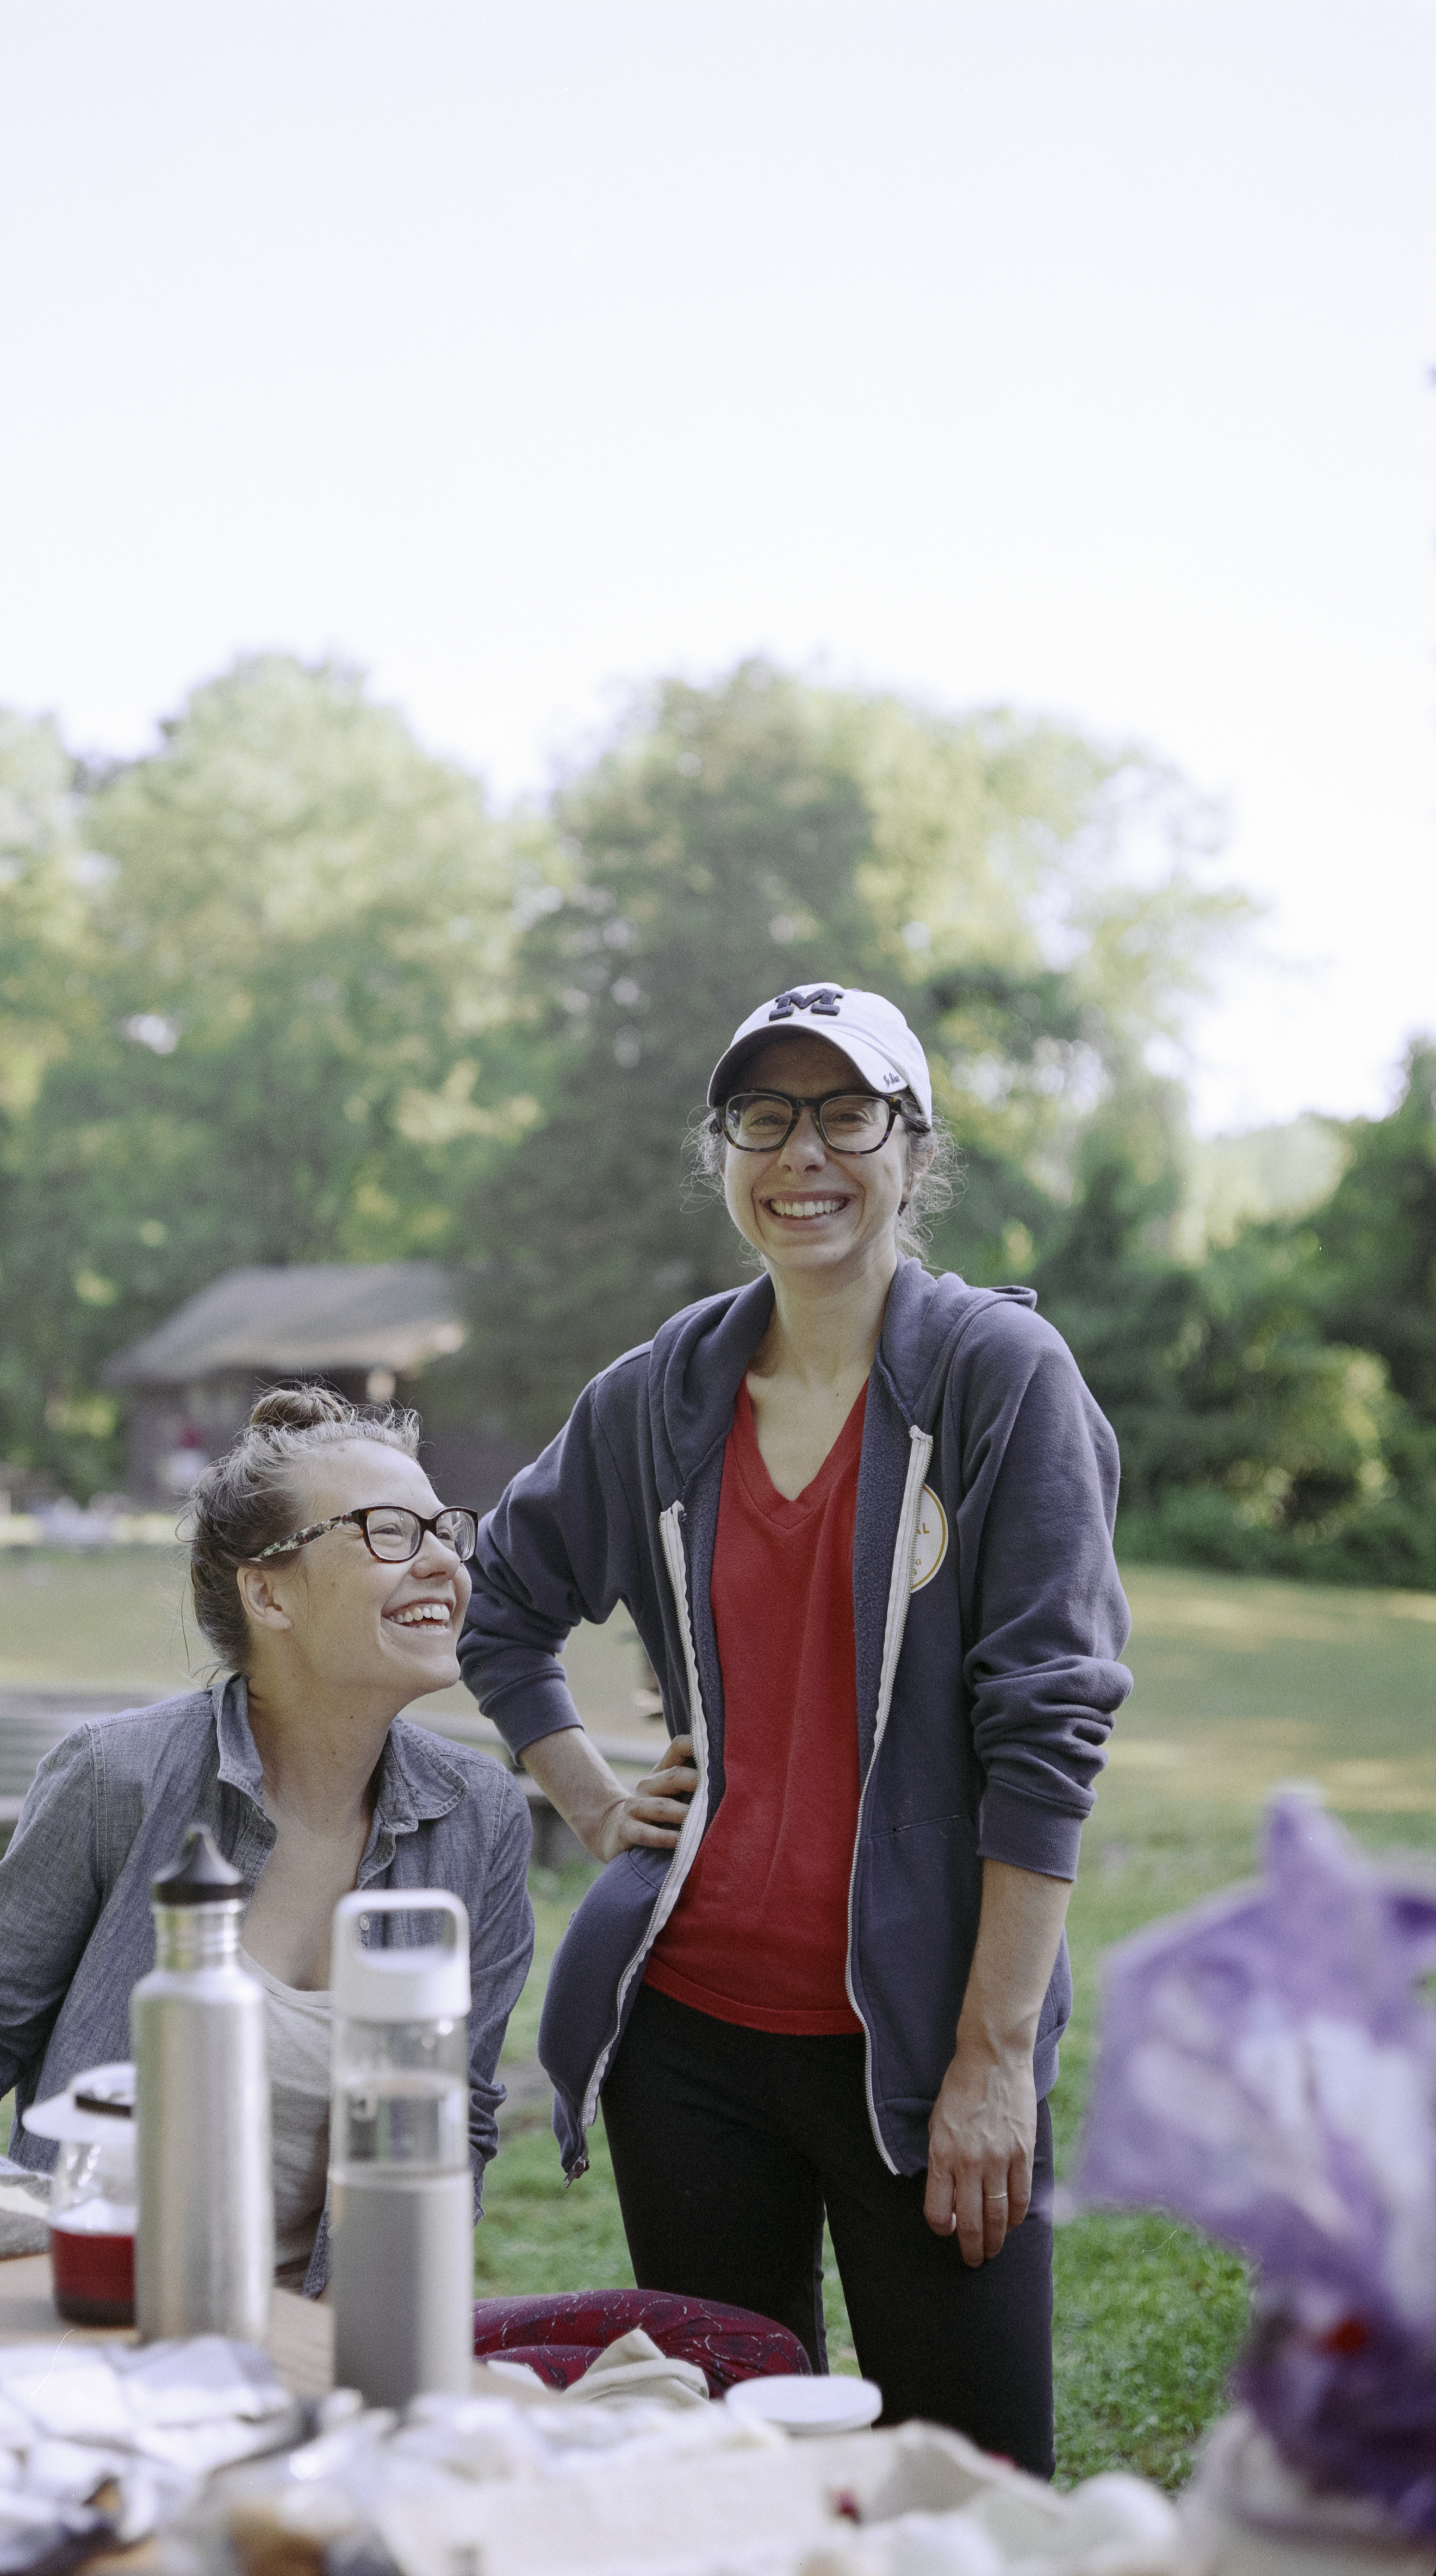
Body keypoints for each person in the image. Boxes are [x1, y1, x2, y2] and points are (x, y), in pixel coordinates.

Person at [458, 981, 1131, 2472]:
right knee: (728, 2482)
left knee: (968, 2487)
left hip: (921, 2041)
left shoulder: (1000, 1379)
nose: (802, 1153)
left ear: (912, 1145)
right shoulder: (660, 1394)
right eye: (763, 1117)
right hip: (688, 2043)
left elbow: (1050, 1730)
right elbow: (497, 1596)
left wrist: (993, 2056)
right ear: (723, 1152)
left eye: (845, 1113)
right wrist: (586, 1794)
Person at [0, 1386, 537, 2298]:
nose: (442, 1564)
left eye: (445, 1532)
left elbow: (452, 2121)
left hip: (337, 2333)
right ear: (267, 1593)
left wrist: (374, 2332)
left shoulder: (481, 1819)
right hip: (107, 2306)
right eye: (390, 1532)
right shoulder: (122, 1779)